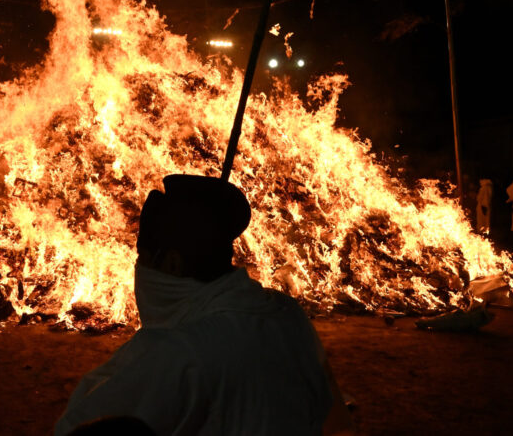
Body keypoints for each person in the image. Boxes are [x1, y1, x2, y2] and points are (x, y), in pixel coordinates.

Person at [55, 174, 353, 435]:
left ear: (171, 263)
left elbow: (80, 428)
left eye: (143, 257)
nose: (140, 268)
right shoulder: (289, 314)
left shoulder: (179, 351)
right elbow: (334, 420)